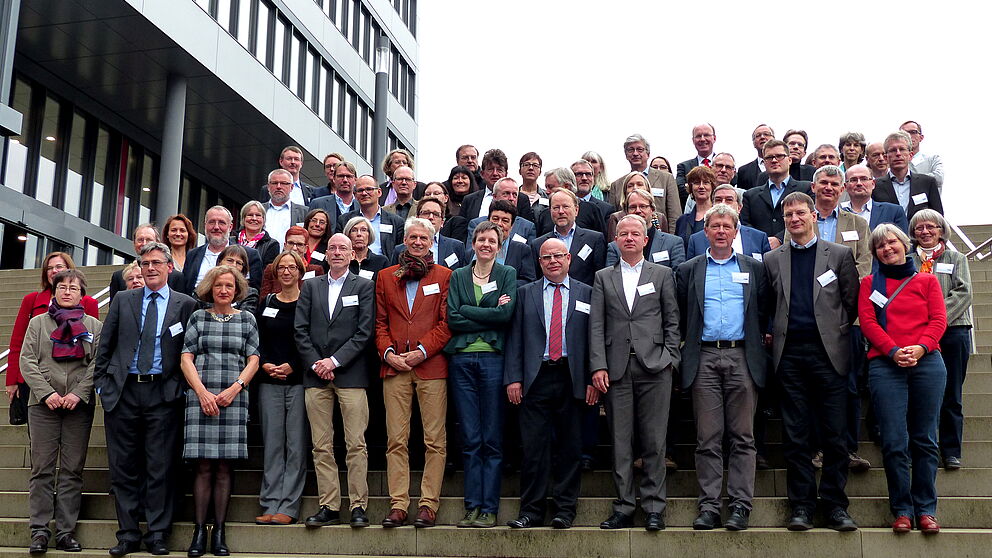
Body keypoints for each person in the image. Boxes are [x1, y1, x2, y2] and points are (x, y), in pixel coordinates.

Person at [763, 192, 860, 532]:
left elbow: (851, 303)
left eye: (800, 213)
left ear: (814, 215)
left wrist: (835, 337)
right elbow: (768, 305)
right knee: (796, 436)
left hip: (829, 356)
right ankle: (801, 505)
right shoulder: (772, 259)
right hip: (789, 358)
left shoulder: (840, 255)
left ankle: (835, 505)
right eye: (788, 214)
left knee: (835, 435)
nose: (794, 219)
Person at [94, 242, 198, 557]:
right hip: (123, 391)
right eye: (145, 263)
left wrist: (178, 388)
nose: (150, 268)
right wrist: (101, 384)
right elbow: (106, 345)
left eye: (156, 262)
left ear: (169, 267)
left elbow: (189, 351)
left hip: (163, 393)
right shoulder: (124, 300)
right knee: (123, 466)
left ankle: (156, 534)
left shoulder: (186, 304)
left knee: (160, 466)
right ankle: (127, 534)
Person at [676, 205, 768, 531]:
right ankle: (709, 507)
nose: (720, 231)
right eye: (715, 225)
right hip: (704, 358)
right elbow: (682, 314)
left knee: (743, 437)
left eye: (727, 225)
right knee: (707, 438)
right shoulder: (688, 270)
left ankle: (741, 506)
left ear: (735, 231)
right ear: (705, 232)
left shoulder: (754, 268)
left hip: (742, 356)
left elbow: (764, 309)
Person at [590, 215, 681, 531]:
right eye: (623, 234)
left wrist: (671, 357)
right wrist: (598, 365)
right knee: (620, 441)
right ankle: (624, 506)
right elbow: (597, 324)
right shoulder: (603, 277)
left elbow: (672, 320)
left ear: (646, 239)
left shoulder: (662, 274)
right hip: (616, 369)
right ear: (615, 240)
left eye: (635, 234)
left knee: (654, 441)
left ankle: (654, 507)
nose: (628, 238)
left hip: (655, 366)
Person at [859, 223, 947, 534]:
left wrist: (920, 348)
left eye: (892, 242)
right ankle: (902, 509)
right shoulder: (870, 283)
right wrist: (894, 351)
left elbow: (938, 319)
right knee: (895, 441)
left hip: (927, 363)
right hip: (886, 364)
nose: (887, 249)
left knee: (924, 439)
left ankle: (925, 509)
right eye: (880, 246)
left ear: (904, 243)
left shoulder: (927, 281)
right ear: (875, 253)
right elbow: (868, 323)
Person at [504, 238, 594, 529]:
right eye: (546, 257)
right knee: (533, 449)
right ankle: (531, 511)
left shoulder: (588, 293)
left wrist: (594, 376)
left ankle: (565, 510)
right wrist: (513, 378)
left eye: (558, 256)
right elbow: (514, 338)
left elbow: (595, 340)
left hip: (572, 377)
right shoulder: (525, 293)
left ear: (569, 258)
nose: (553, 261)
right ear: (539, 262)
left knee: (570, 447)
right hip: (535, 378)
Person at [374, 218, 453, 529]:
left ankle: (428, 504)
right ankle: (398, 504)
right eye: (413, 237)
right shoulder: (385, 277)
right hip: (394, 368)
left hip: (430, 366)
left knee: (435, 440)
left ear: (431, 242)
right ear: (404, 240)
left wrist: (421, 351)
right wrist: (389, 354)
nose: (418, 242)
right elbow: (379, 323)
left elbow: (446, 324)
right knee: (396, 439)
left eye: (424, 237)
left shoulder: (444, 276)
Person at [296, 235, 376, 529]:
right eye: (333, 248)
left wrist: (335, 361)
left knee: (356, 443)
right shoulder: (311, 285)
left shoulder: (365, 286)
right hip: (315, 376)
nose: (338, 252)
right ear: (325, 254)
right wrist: (318, 362)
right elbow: (300, 329)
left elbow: (364, 332)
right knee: (321, 445)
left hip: (351, 374)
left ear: (353, 253)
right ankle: (329, 505)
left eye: (344, 248)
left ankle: (358, 505)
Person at [180, 265, 260, 556]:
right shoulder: (198, 317)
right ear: (210, 289)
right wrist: (201, 392)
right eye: (218, 286)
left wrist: (235, 388)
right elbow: (186, 358)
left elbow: (253, 360)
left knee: (225, 466)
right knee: (202, 466)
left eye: (229, 286)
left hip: (233, 397)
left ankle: (220, 532)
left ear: (237, 290)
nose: (223, 290)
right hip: (200, 396)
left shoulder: (248, 319)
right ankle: (199, 531)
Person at [21, 269, 102, 554]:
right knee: (42, 468)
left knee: (71, 470)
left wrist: (78, 394)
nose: (67, 291)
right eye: (62, 287)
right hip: (43, 406)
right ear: (54, 291)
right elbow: (27, 360)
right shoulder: (38, 323)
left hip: (78, 408)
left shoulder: (93, 324)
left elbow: (97, 364)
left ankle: (66, 532)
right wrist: (48, 394)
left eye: (74, 288)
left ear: (82, 294)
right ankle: (40, 531)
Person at [445, 221, 517, 528]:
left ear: (499, 246)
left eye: (492, 240)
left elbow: (505, 315)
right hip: (461, 360)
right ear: (473, 243)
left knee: (491, 438)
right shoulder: (459, 275)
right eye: (481, 239)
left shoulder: (507, 274)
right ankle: (472, 506)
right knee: (471, 438)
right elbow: (452, 316)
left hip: (492, 361)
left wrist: (470, 311)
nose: (486, 244)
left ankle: (490, 508)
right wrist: (489, 312)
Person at [909, 210, 972, 470]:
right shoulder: (907, 260)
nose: (925, 232)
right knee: (920, 394)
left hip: (952, 330)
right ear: (912, 234)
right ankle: (923, 449)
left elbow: (964, 291)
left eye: (930, 227)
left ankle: (951, 450)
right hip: (917, 335)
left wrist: (936, 318)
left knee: (951, 392)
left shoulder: (956, 258)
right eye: (919, 228)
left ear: (941, 230)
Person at [254, 251, 308, 526]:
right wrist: (264, 364)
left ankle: (289, 505)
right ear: (275, 273)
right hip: (268, 381)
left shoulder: (308, 302)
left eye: (291, 267)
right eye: (281, 268)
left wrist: (293, 366)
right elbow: (257, 340)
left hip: (298, 381)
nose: (286, 272)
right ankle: (270, 502)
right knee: (273, 445)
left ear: (301, 271)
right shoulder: (266, 303)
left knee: (295, 444)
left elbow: (313, 340)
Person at [7, 252, 99, 408]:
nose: (54, 271)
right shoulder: (32, 300)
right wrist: (12, 379)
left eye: (59, 267)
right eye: (49, 268)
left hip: (74, 382)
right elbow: (18, 342)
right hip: (37, 379)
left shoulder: (88, 303)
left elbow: (92, 342)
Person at [741, 139, 813, 248]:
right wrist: (762, 241)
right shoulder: (750, 196)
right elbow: (745, 225)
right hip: (760, 253)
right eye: (769, 157)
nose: (774, 160)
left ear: (789, 160)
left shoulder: (806, 189)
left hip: (796, 250)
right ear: (764, 162)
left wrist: (780, 238)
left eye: (779, 156)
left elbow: (811, 219)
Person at [529, 188, 606, 287]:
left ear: (576, 210)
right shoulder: (538, 245)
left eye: (565, 207)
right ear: (550, 211)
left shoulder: (594, 240)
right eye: (556, 207)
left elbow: (600, 279)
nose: (561, 212)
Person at [609, 134, 681, 231]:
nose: (635, 153)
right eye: (631, 150)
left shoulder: (666, 179)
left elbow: (674, 215)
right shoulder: (616, 185)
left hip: (659, 238)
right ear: (626, 155)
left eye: (640, 149)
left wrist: (669, 241)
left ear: (648, 154)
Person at [185, 206, 264, 292]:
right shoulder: (192, 254)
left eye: (221, 223)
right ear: (205, 225)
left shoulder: (249, 255)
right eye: (211, 222)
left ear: (230, 227)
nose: (216, 227)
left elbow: (254, 292)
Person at [686, 185, 771, 261]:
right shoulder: (696, 240)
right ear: (712, 206)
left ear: (739, 207)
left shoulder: (758, 238)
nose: (723, 203)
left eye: (729, 200)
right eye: (718, 200)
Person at [872, 131, 943, 220]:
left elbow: (938, 218)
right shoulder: (875, 186)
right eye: (893, 150)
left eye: (902, 149)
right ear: (886, 157)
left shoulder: (927, 183)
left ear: (910, 155)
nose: (898, 154)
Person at [605, 189, 685, 269]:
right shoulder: (614, 247)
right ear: (626, 212)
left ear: (652, 210)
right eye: (633, 207)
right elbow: (611, 277)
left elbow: (677, 276)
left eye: (643, 206)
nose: (638, 211)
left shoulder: (673, 243)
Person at [337, 175, 406, 263]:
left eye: (369, 189)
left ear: (379, 192)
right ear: (355, 195)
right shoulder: (344, 220)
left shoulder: (396, 222)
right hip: (353, 268)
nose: (364, 193)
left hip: (384, 269)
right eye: (360, 190)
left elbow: (400, 251)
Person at [109, 224, 186, 299]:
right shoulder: (119, 277)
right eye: (140, 240)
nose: (144, 244)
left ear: (158, 243)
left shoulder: (175, 277)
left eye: (149, 240)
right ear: (134, 243)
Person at [393, 197, 467, 270]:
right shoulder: (399, 250)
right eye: (426, 213)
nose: (431, 217)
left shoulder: (456, 247)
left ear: (442, 222)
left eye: (436, 214)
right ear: (417, 217)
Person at [841, 164, 910, 234]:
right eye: (853, 180)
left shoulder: (893, 212)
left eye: (864, 179)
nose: (859, 183)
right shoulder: (836, 212)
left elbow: (903, 242)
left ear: (873, 184)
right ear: (845, 186)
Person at [259, 227, 324, 299]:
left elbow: (319, 300)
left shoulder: (316, 271)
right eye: (291, 243)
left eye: (299, 244)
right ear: (285, 245)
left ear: (306, 248)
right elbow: (263, 299)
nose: (294, 248)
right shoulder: (272, 269)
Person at [194, 244, 259, 313]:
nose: (234, 265)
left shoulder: (249, 294)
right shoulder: (203, 289)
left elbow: (244, 319)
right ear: (219, 262)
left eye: (238, 263)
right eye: (230, 260)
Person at [605, 172, 669, 239]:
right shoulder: (616, 218)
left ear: (647, 188)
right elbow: (613, 246)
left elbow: (665, 242)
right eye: (630, 186)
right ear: (625, 191)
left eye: (639, 184)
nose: (635, 188)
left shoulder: (660, 218)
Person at [263, 168, 310, 251]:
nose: (278, 187)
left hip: (290, 261)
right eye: (274, 183)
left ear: (291, 187)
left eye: (284, 183)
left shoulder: (304, 212)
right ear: (268, 187)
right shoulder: (258, 210)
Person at [676, 123, 718, 206]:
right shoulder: (683, 167)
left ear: (714, 138)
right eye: (698, 136)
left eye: (706, 135)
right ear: (693, 140)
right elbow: (681, 189)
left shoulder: (723, 165)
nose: (702, 139)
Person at [675, 166, 716, 247]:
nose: (701, 186)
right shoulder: (682, 221)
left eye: (706, 182)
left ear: (712, 187)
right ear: (691, 187)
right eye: (697, 183)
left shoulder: (719, 216)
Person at [900, 120, 944, 190]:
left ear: (921, 137)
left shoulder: (933, 159)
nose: (909, 136)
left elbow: (939, 178)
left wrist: (909, 179)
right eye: (904, 133)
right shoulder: (894, 161)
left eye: (913, 132)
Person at [236, 201, 280, 268]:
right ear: (243, 219)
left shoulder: (272, 245)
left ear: (263, 220)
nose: (254, 218)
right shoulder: (231, 240)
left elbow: (268, 273)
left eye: (258, 215)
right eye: (250, 215)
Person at [344, 216, 389, 280]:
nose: (359, 234)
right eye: (354, 230)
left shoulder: (381, 261)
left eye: (363, 230)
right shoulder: (342, 261)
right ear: (348, 235)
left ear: (369, 235)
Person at [736, 124, 775, 191]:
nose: (762, 137)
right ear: (753, 143)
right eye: (758, 136)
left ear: (774, 139)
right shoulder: (743, 171)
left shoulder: (785, 165)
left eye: (766, 134)